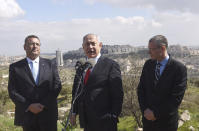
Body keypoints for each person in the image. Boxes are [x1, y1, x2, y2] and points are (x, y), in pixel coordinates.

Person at [70, 34, 123, 131]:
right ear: (83, 47)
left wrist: (114, 115)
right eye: (87, 44)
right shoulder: (81, 66)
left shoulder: (110, 65)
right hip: (86, 121)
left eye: (93, 44)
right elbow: (75, 91)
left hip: (105, 120)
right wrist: (73, 112)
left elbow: (118, 93)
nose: (90, 47)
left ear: (100, 45)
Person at [8, 35, 62, 131]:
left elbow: (57, 86)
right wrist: (28, 106)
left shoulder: (51, 64)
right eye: (32, 44)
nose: (35, 46)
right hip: (27, 116)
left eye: (37, 44)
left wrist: (43, 104)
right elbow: (12, 91)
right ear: (24, 47)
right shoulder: (15, 67)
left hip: (48, 114)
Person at [137, 35, 187, 131]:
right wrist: (145, 110)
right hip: (148, 122)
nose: (149, 52)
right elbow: (141, 90)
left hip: (167, 123)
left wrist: (156, 113)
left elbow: (176, 98)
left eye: (151, 49)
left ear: (162, 48)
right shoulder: (148, 65)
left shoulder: (178, 68)